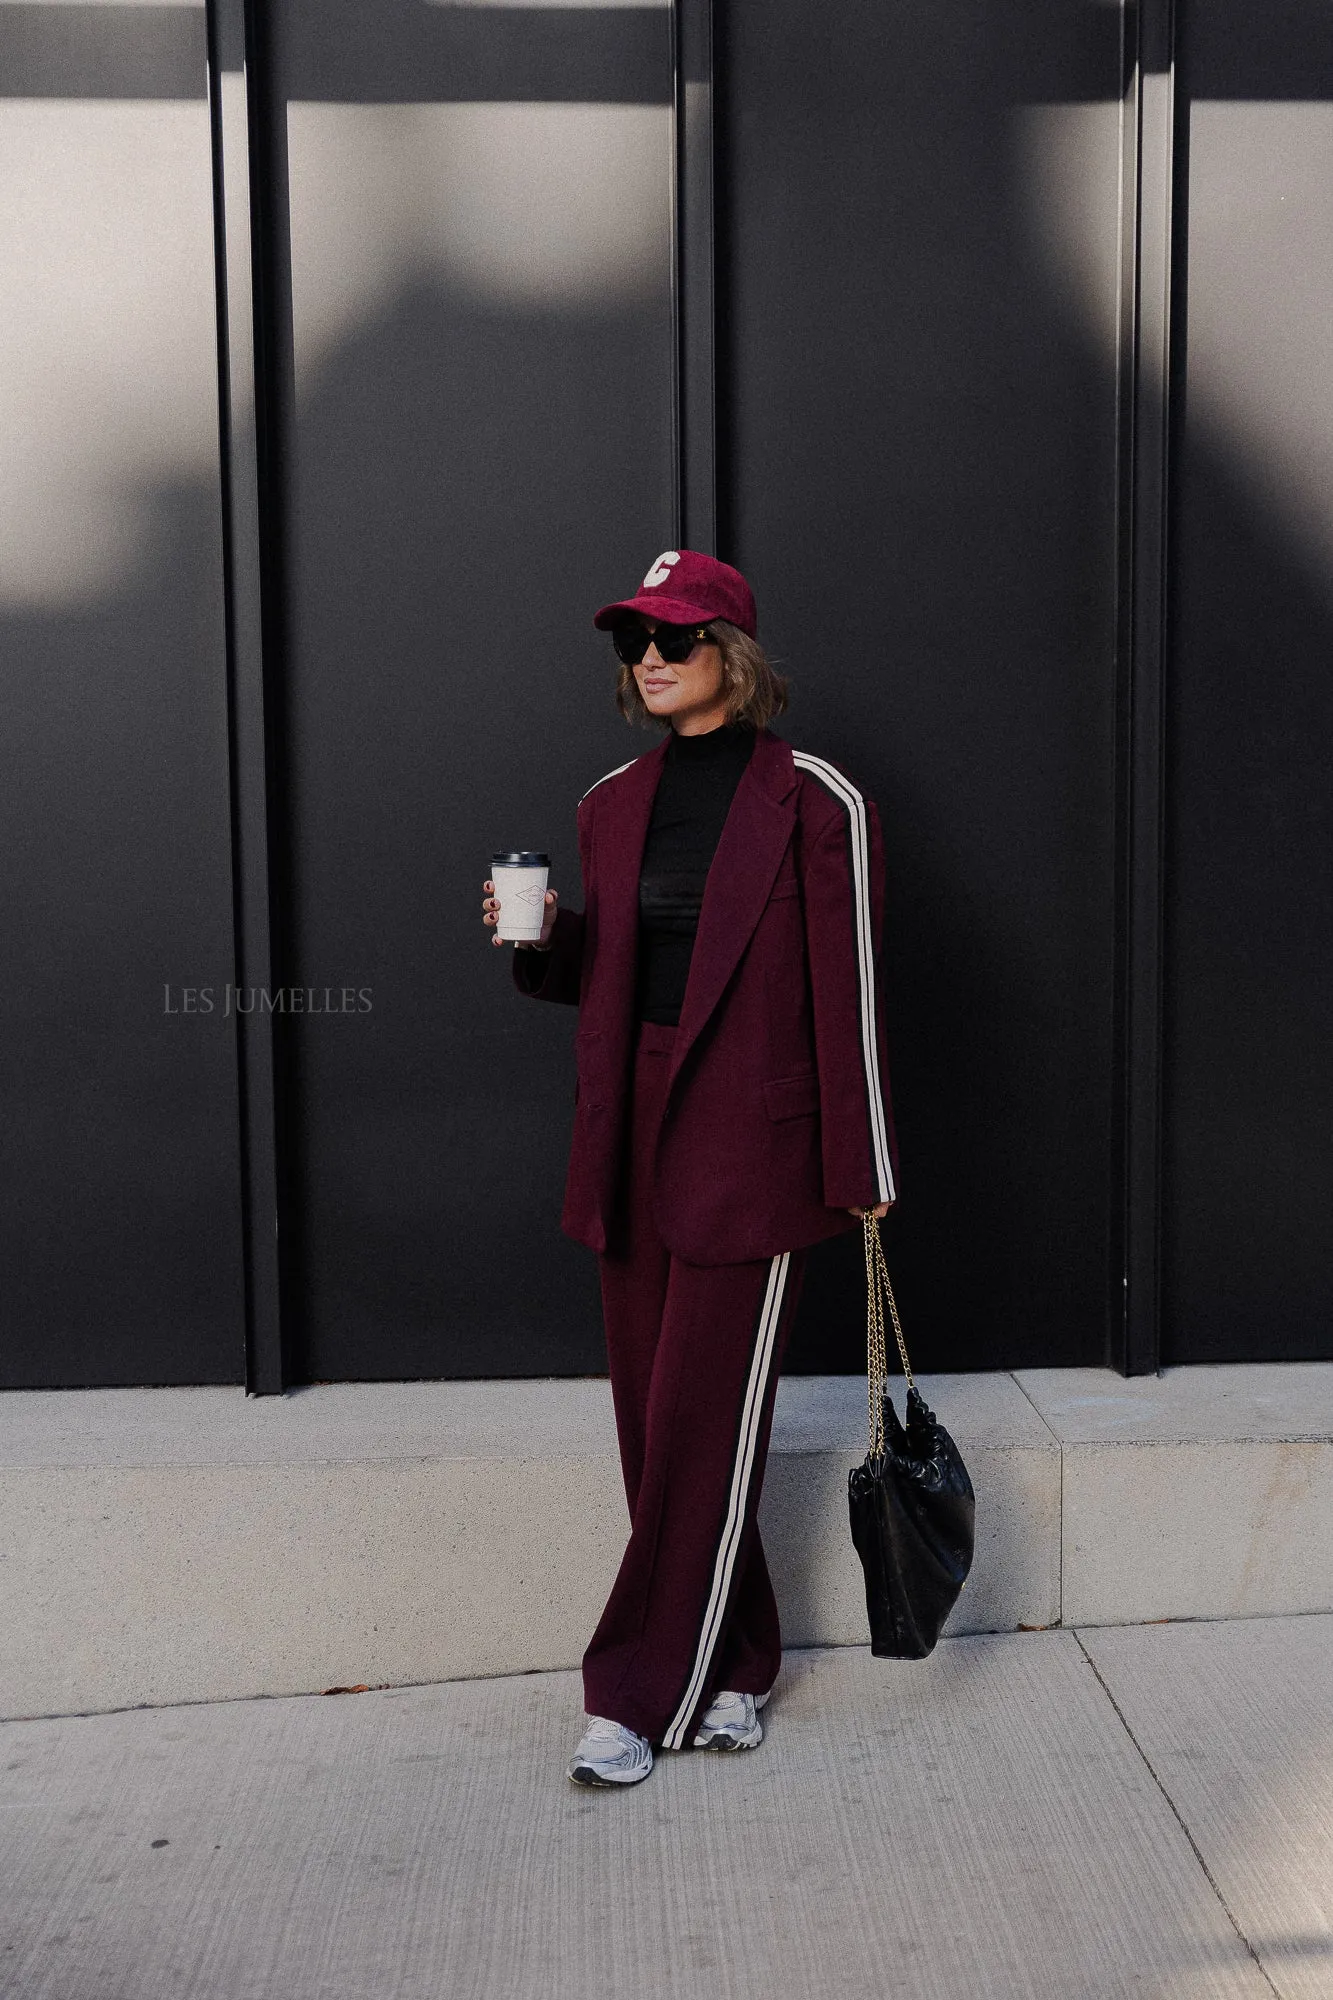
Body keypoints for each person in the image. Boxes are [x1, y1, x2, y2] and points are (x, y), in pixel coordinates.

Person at [481, 549, 897, 1787]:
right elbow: (606, 979)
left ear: (735, 654)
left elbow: (852, 992)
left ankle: (633, 1689)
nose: (648, 660)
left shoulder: (818, 799)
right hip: (628, 1131)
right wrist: (543, 941)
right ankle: (735, 1657)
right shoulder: (611, 801)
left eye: (673, 639)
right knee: (653, 1427)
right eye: (634, 645)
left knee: (703, 1422)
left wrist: (860, 1159)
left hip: (754, 1150)